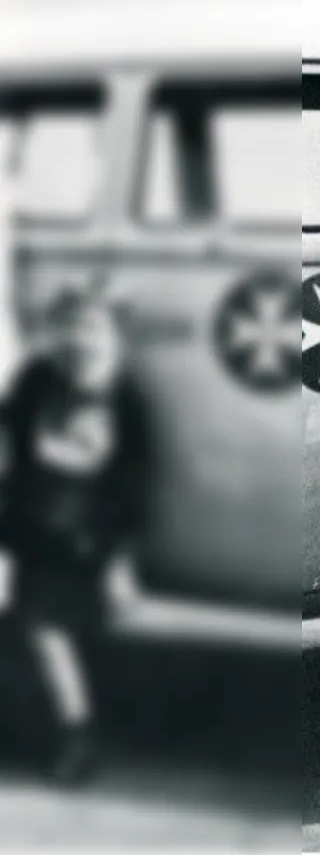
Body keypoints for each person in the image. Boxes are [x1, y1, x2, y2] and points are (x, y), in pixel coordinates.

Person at [0, 286, 152, 784]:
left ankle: (77, 736)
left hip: (82, 539)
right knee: (35, 633)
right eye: (71, 327)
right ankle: (60, 731)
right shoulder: (38, 380)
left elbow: (131, 486)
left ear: (110, 336)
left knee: (48, 633)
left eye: (91, 328)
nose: (79, 339)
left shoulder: (124, 399)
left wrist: (119, 561)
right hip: (33, 530)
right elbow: (17, 453)